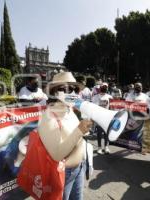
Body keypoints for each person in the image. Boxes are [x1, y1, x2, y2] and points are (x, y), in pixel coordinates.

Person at [39, 72, 92, 200]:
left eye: (74, 89)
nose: (72, 93)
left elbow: (76, 137)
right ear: (55, 92)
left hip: (79, 167)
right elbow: (56, 154)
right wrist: (79, 130)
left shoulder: (69, 110)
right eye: (66, 89)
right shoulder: (48, 116)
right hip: (64, 172)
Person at [92, 83, 113, 154]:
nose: (104, 88)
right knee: (99, 133)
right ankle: (99, 147)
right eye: (103, 87)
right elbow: (93, 108)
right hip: (99, 117)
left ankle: (106, 147)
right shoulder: (95, 97)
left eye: (106, 87)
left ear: (107, 88)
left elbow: (112, 108)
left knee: (107, 133)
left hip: (107, 117)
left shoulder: (110, 97)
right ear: (100, 88)